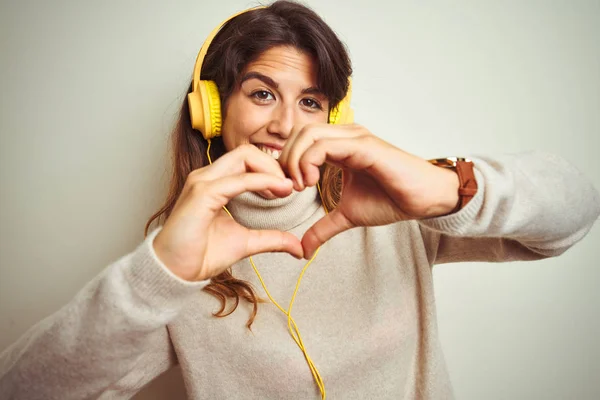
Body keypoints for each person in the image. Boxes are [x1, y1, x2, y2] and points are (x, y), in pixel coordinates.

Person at [1, 1, 599, 399]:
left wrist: (443, 185)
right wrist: (157, 276)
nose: (286, 124)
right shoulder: (183, 254)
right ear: (211, 111)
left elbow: (576, 209)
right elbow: (25, 388)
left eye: (310, 102)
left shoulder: (387, 207)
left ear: (334, 116)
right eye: (262, 94)